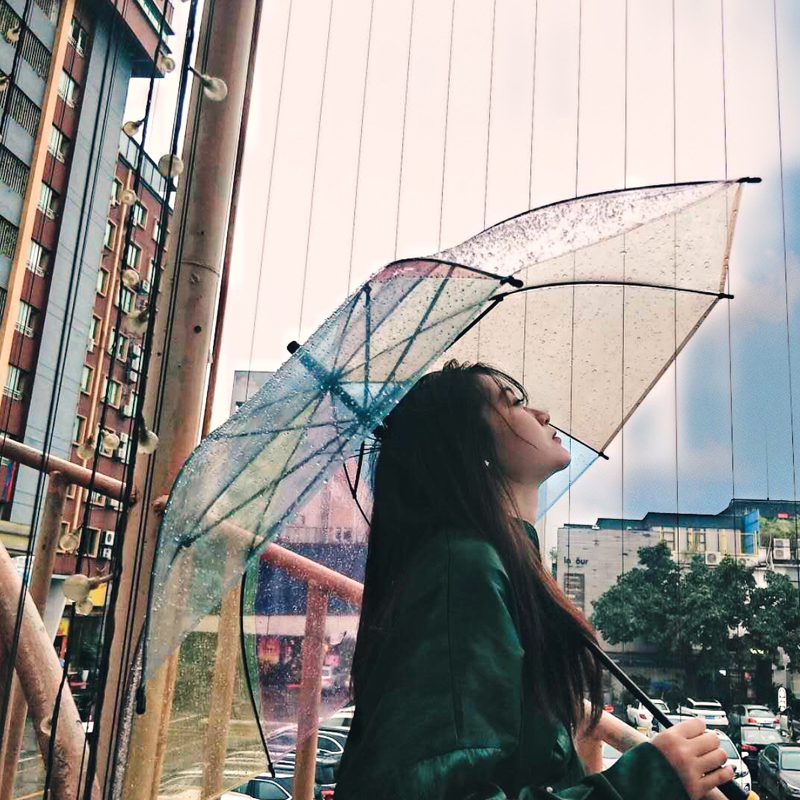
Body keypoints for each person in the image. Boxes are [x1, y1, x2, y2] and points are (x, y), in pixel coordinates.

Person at [334, 361, 734, 800]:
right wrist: (647, 781)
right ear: (470, 447)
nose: (542, 413)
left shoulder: (505, 565)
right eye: (514, 403)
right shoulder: (461, 570)